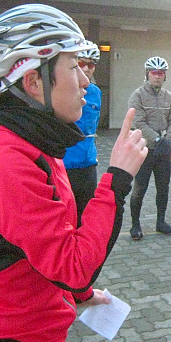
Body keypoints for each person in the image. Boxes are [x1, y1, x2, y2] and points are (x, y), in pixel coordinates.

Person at [0, 4, 147, 342]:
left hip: (38, 340)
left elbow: (40, 250)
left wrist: (83, 297)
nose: (86, 84)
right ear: (35, 81)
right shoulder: (8, 161)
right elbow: (71, 266)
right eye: (73, 67)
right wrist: (118, 180)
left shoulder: (38, 147)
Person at [127, 56, 171, 240]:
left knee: (163, 187)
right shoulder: (138, 95)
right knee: (140, 189)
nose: (157, 76)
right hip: (145, 148)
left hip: (163, 150)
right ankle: (135, 225)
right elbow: (138, 122)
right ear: (147, 74)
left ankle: (161, 221)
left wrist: (168, 139)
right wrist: (157, 139)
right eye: (154, 72)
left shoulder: (169, 97)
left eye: (161, 73)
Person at [63, 41, 102, 219]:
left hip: (88, 163)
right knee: (65, 216)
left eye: (91, 64)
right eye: (81, 63)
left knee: (86, 215)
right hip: (65, 164)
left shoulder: (95, 92)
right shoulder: (62, 90)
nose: (86, 69)